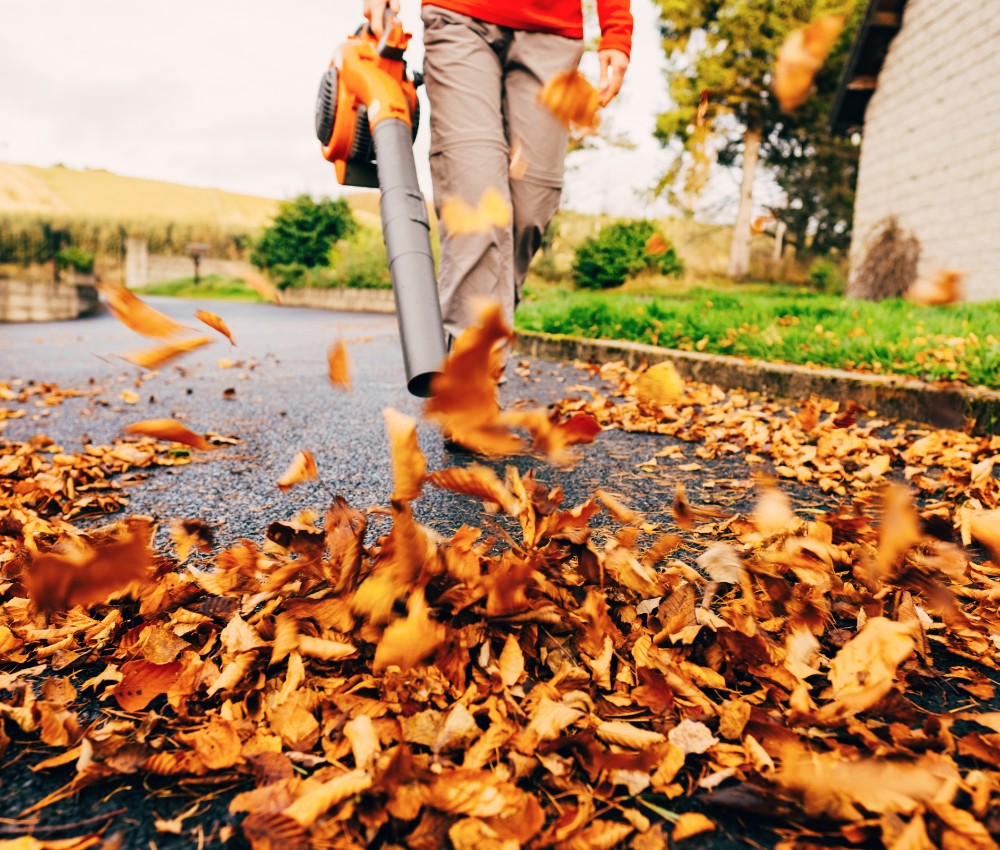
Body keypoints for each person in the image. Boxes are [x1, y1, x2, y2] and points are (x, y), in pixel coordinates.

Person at [363, 0, 632, 346]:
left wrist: (616, 29)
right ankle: (469, 371)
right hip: (459, 16)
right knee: (478, 201)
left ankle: (483, 344)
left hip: (554, 31)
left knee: (532, 206)